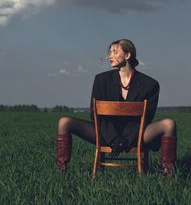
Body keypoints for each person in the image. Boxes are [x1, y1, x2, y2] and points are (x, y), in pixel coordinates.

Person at [56, 39, 177, 174]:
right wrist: (114, 138)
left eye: (115, 52)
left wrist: (126, 139)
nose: (110, 56)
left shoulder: (150, 84)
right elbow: (95, 115)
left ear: (127, 55)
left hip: (137, 134)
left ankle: (168, 174)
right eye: (109, 53)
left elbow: (147, 119)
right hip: (105, 133)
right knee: (64, 122)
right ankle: (61, 171)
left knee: (169, 124)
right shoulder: (101, 80)